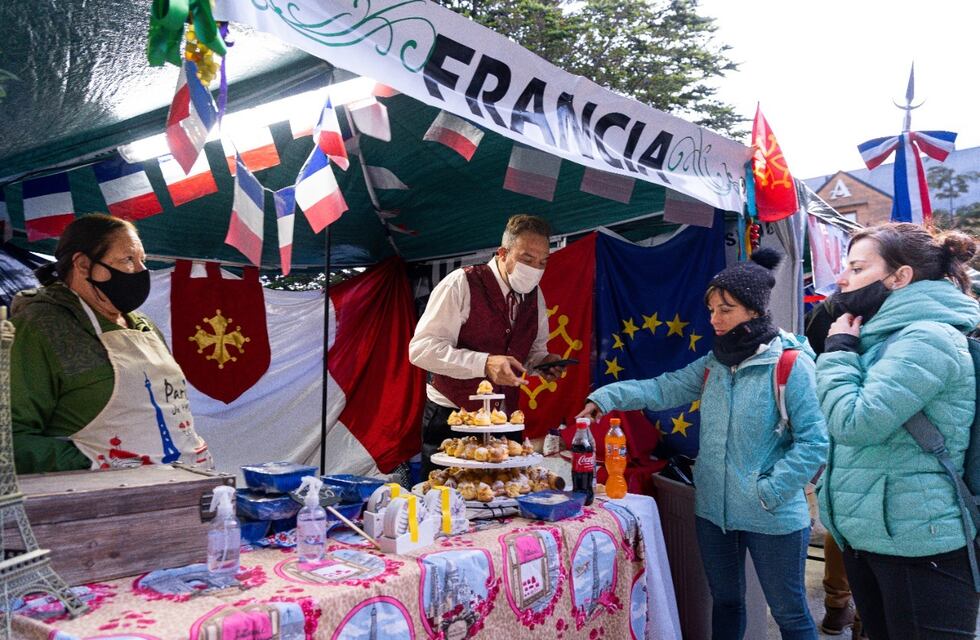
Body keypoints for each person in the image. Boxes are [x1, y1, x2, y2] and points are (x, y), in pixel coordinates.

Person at [579, 248, 827, 640]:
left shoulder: (791, 364)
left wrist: (769, 491)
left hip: (773, 516)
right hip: (713, 513)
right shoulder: (714, 363)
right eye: (711, 309)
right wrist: (605, 397)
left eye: (725, 309)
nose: (714, 319)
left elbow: (815, 443)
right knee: (726, 603)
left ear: (755, 310)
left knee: (790, 614)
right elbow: (663, 388)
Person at [816, 222, 980, 639]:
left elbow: (854, 422)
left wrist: (837, 354)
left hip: (918, 544)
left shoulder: (928, 337)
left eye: (856, 268)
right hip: (876, 533)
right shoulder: (881, 337)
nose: (842, 278)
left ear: (900, 277)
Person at [11, 214, 211, 474]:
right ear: (83, 264)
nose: (141, 272)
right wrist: (92, 459)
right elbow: (11, 438)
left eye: (143, 260)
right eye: (128, 260)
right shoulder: (38, 326)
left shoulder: (144, 326)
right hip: (104, 500)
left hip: (188, 485)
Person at [409, 214, 565, 477]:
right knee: (447, 502)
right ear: (502, 253)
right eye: (527, 259)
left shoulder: (535, 297)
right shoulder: (462, 282)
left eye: (542, 262)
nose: (535, 269)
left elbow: (532, 351)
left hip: (504, 420)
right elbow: (422, 349)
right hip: (452, 415)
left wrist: (542, 362)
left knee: (506, 498)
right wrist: (483, 363)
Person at [804, 298, 864, 639]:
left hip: (840, 443)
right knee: (853, 528)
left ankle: (838, 607)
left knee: (841, 523)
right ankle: (853, 616)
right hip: (864, 446)